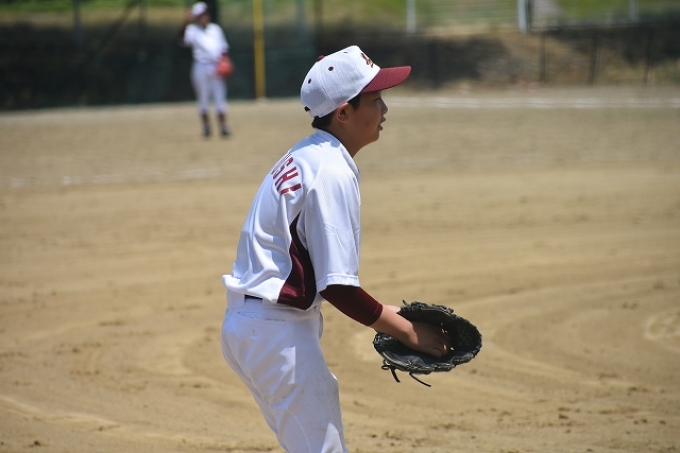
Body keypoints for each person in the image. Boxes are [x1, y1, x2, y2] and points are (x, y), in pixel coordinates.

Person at [220, 45, 452, 453]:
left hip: (254, 326)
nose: (384, 109)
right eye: (375, 99)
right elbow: (338, 288)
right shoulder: (331, 170)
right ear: (343, 112)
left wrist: (389, 312)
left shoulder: (308, 154)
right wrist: (408, 332)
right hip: (276, 334)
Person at [179, 1, 231, 138]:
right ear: (196, 17)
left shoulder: (216, 29)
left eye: (206, 14)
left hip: (216, 65)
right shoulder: (192, 30)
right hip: (200, 66)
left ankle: (224, 126)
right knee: (203, 97)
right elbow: (182, 41)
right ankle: (206, 127)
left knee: (220, 96)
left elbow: (224, 48)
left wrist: (225, 61)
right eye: (201, 15)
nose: (205, 17)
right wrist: (185, 23)